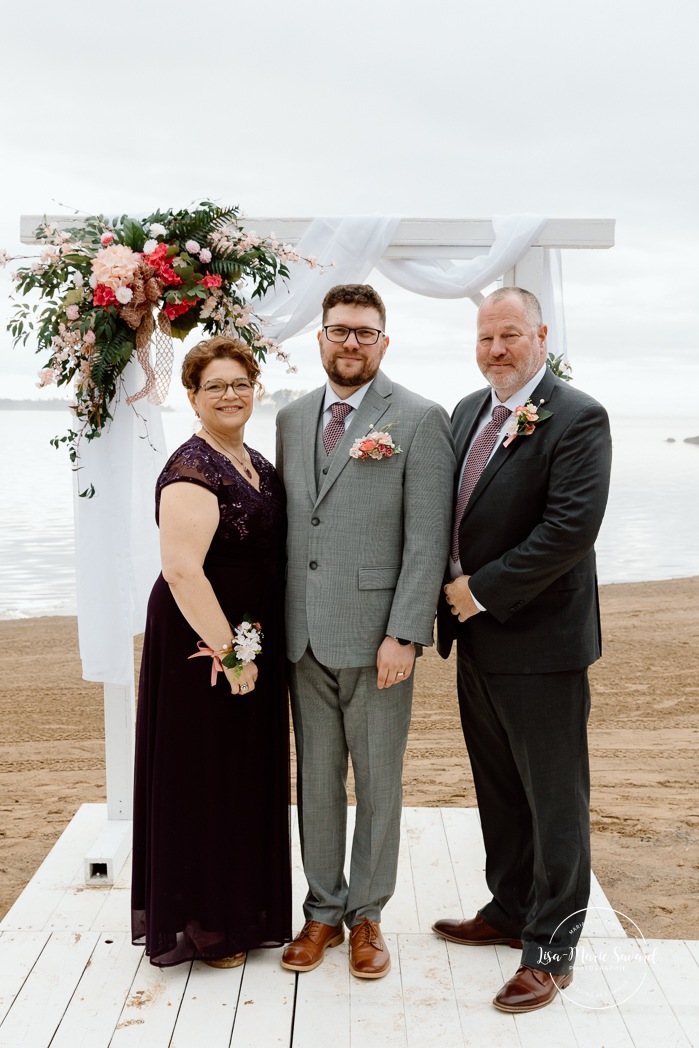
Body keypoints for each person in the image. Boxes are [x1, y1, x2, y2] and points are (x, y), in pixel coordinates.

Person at [433, 287, 612, 1012]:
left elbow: (570, 528)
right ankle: (509, 910)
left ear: (540, 335)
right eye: (485, 338)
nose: (496, 350)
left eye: (509, 335)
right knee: (500, 789)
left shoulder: (577, 416)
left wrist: (478, 591)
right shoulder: (466, 412)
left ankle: (552, 949)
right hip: (475, 640)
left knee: (554, 800)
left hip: (541, 642)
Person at [276, 284, 454, 979]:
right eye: (339, 330)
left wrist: (405, 632)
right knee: (316, 782)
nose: (351, 343)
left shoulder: (419, 417)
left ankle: (368, 915)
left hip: (379, 637)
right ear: (319, 337)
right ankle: (322, 911)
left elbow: (427, 538)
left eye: (365, 332)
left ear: (384, 341)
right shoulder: (291, 419)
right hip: (302, 636)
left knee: (378, 782)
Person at [131, 335, 291, 967]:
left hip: (251, 636)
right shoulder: (191, 468)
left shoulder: (256, 462)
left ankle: (241, 910)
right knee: (203, 773)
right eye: (215, 386)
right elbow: (181, 570)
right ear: (193, 397)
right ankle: (203, 924)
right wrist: (231, 654)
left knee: (240, 771)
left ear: (255, 389)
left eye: (240, 383)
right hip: (202, 641)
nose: (230, 395)